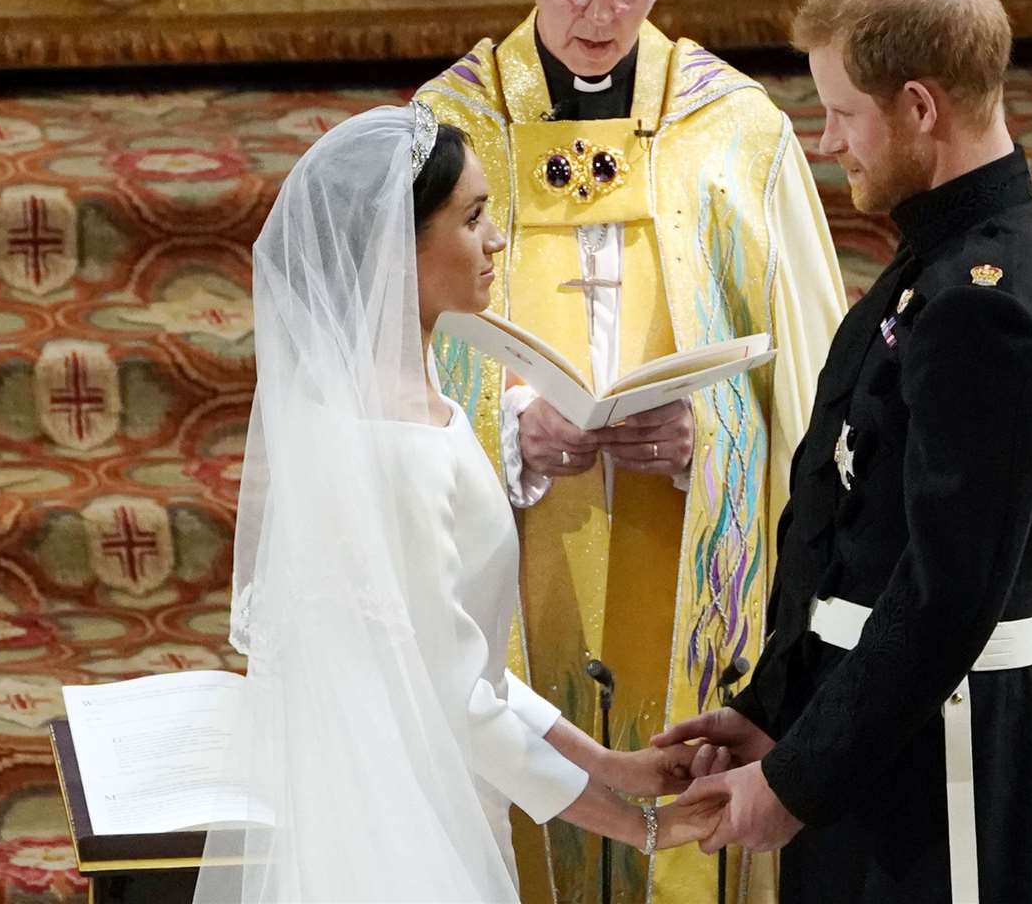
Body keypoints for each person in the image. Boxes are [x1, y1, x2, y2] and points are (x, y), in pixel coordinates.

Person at [415, 0, 846, 901]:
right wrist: (505, 432)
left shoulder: (736, 133)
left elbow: (821, 388)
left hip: (687, 542)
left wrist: (723, 439)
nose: (601, 16)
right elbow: (381, 360)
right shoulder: (444, 132)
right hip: (517, 553)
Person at [655, 0, 1032, 903]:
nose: (828, 142)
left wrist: (796, 780)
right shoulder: (941, 258)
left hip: (946, 772)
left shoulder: (987, 306)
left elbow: (946, 595)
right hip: (883, 739)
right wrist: (780, 716)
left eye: (844, 114)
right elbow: (846, 531)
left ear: (919, 106)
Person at [191, 103, 721, 904]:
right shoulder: (389, 438)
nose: (498, 240)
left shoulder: (415, 389)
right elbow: (460, 703)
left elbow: (465, 663)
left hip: (418, 792)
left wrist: (613, 766)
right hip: (397, 832)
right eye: (473, 218)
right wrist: (646, 828)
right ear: (396, 249)